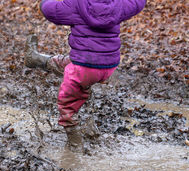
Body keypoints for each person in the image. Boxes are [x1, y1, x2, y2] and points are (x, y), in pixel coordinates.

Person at [25, 0, 147, 151]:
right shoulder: (118, 4)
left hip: (84, 67)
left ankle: (75, 145)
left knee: (67, 105)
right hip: (108, 67)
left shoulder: (76, 4)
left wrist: (43, 3)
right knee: (72, 66)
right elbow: (137, 3)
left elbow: (51, 10)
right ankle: (36, 59)